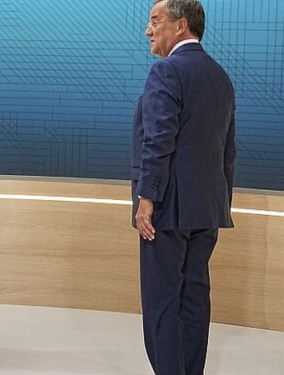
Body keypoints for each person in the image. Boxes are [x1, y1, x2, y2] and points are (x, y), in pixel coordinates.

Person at [132, 1, 236, 374]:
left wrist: (147, 199)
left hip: (166, 212)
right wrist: (221, 203)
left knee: (162, 304)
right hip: (206, 211)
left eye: (155, 21)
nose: (148, 30)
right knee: (194, 300)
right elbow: (228, 150)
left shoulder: (167, 72)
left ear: (180, 26)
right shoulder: (220, 76)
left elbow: (158, 140)